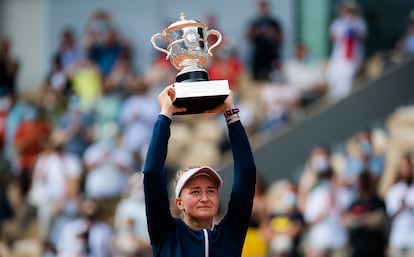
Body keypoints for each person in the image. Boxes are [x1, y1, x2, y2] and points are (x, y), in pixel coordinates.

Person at [143, 85, 256, 257]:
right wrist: (166, 113)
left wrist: (230, 113)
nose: (205, 198)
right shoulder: (166, 233)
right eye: (195, 192)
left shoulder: (230, 233)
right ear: (179, 202)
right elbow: (152, 173)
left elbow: (247, 173)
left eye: (211, 191)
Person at [325, 0, 367, 101]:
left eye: (350, 10)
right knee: (333, 76)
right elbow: (332, 38)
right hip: (338, 57)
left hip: (352, 58)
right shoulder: (337, 23)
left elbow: (362, 37)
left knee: (346, 80)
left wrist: (353, 29)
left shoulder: (359, 22)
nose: (348, 13)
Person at [385, 153, 414, 257]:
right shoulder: (394, 189)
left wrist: (409, 206)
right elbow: (390, 214)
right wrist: (401, 207)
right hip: (397, 239)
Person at [246, 0, 283, 82]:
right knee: (257, 83)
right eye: (261, 7)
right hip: (258, 59)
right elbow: (248, 37)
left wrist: (271, 33)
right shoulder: (254, 23)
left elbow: (281, 37)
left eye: (264, 7)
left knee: (274, 82)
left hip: (272, 58)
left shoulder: (274, 22)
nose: (263, 9)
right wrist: (256, 32)